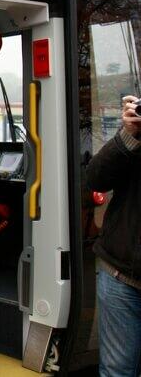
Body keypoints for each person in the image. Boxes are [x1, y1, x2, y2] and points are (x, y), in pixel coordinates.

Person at [86, 94, 141, 377]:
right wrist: (128, 136)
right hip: (122, 276)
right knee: (117, 370)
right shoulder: (135, 139)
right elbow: (95, 178)